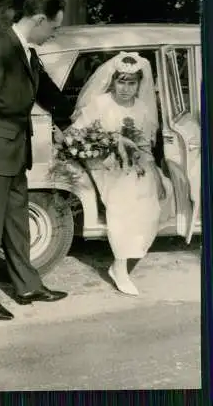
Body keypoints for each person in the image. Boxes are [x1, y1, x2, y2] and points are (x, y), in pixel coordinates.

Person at [0, 0, 75, 320]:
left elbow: (46, 90)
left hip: (15, 150)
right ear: (39, 20)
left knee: (17, 223)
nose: (54, 33)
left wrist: (75, 115)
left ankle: (27, 285)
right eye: (53, 27)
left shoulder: (25, 50)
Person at [68, 51, 174, 296]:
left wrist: (153, 171)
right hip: (102, 163)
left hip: (134, 164)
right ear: (112, 81)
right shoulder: (100, 103)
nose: (125, 88)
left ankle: (126, 257)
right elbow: (76, 134)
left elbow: (146, 146)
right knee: (126, 198)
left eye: (131, 83)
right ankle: (120, 266)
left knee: (152, 199)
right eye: (121, 81)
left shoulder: (142, 108)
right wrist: (108, 142)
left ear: (139, 84)